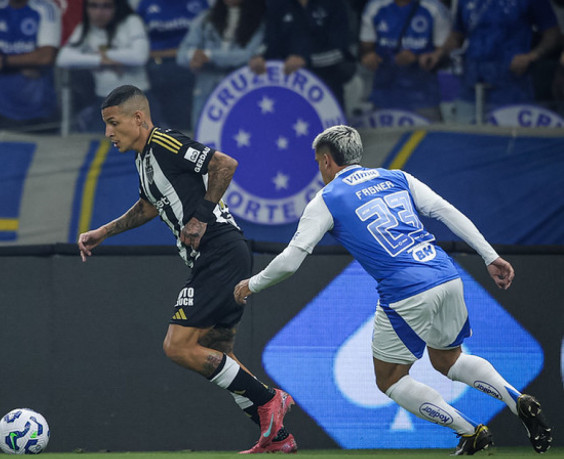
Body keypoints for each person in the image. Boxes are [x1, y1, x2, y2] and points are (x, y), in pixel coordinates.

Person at [233, 125, 552, 455]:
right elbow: (446, 211)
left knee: (390, 379)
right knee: (449, 360)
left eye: (317, 163)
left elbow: (289, 261)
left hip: (405, 290)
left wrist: (251, 284)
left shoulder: (326, 199)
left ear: (327, 161)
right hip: (445, 273)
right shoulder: (398, 178)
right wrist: (490, 255)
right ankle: (517, 400)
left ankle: (470, 431)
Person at [77, 85, 296, 455]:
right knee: (214, 349)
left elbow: (224, 164)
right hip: (216, 256)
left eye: (113, 124)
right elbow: (149, 207)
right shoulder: (144, 161)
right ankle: (276, 438)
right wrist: (103, 231)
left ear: (138, 118)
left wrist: (200, 216)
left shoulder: (163, 141)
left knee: (177, 347)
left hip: (220, 251)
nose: (108, 133)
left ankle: (269, 398)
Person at [421, 0, 560, 122]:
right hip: (471, 84)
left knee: (508, 143)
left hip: (512, 85)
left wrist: (532, 56)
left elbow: (553, 34)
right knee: (465, 140)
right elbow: (457, 35)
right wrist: (438, 54)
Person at [55, 0, 150, 133]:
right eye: (93, 6)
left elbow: (140, 56)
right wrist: (100, 60)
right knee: (97, 145)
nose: (99, 12)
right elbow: (63, 58)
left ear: (116, 7)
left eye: (106, 6)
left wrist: (106, 54)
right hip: (104, 100)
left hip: (136, 99)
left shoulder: (131, 22)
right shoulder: (84, 28)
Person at [0, 0, 61, 132]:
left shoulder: (47, 8)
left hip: (41, 112)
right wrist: (27, 62)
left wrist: (3, 61)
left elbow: (46, 56)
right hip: (0, 111)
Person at [248, 0, 356, 109]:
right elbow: (268, 42)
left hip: (326, 82)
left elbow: (341, 51)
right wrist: (259, 56)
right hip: (287, 82)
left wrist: (306, 60)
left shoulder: (334, 4)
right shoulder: (278, 4)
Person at [359, 0, 452, 122]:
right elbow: (365, 48)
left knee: (430, 139)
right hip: (384, 95)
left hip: (424, 97)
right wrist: (369, 58)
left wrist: (418, 58)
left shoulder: (434, 8)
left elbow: (445, 51)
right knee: (385, 140)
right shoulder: (375, 7)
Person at [176, 0, 264, 128]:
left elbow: (247, 55)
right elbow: (181, 54)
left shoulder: (259, 21)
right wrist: (193, 56)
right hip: (207, 88)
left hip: (241, 89)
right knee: (202, 134)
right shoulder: (206, 19)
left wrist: (209, 56)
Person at [131, 0, 209, 131]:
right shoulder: (145, 4)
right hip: (153, 68)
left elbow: (206, 39)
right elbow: (137, 42)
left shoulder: (199, 3)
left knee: (183, 121)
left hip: (187, 69)